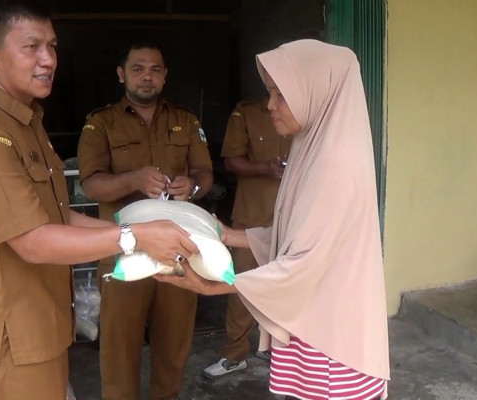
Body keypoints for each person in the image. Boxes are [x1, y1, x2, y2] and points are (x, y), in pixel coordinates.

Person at [0, 3, 198, 400]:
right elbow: (33, 240)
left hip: (42, 323)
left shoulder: (27, 125)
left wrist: (139, 233)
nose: (48, 59)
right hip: (15, 336)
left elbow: (59, 216)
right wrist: (133, 238)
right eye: (32, 47)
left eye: (52, 46)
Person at [155, 39, 390, 400]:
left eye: (282, 94)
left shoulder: (334, 167)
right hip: (314, 321)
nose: (270, 105)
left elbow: (303, 263)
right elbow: (298, 236)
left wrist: (211, 287)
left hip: (331, 338)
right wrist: (227, 235)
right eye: (270, 92)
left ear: (315, 94)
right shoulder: (313, 149)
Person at [77, 43, 213, 400]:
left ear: (165, 76)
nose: (147, 76)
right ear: (122, 75)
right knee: (119, 350)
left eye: (155, 69)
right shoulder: (101, 123)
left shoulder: (185, 121)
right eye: (138, 69)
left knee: (174, 345)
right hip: (124, 251)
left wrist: (192, 185)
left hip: (177, 251)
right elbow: (91, 183)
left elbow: (205, 173)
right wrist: (133, 180)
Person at [203, 98, 291, 379]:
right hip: (252, 215)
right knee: (241, 285)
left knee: (288, 287)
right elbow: (231, 160)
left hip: (294, 218)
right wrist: (264, 168)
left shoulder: (307, 112)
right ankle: (234, 354)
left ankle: (278, 350)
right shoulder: (247, 112)